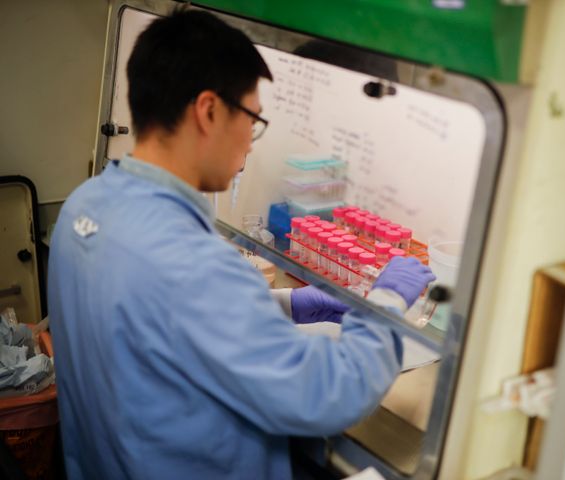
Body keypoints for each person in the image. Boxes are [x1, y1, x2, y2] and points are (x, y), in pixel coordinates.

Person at [47, 8, 435, 480]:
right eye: (252, 119)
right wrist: (385, 304)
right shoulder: (192, 264)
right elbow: (327, 394)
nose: (251, 142)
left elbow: (156, 319)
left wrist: (286, 304)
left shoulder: (85, 206)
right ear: (209, 111)